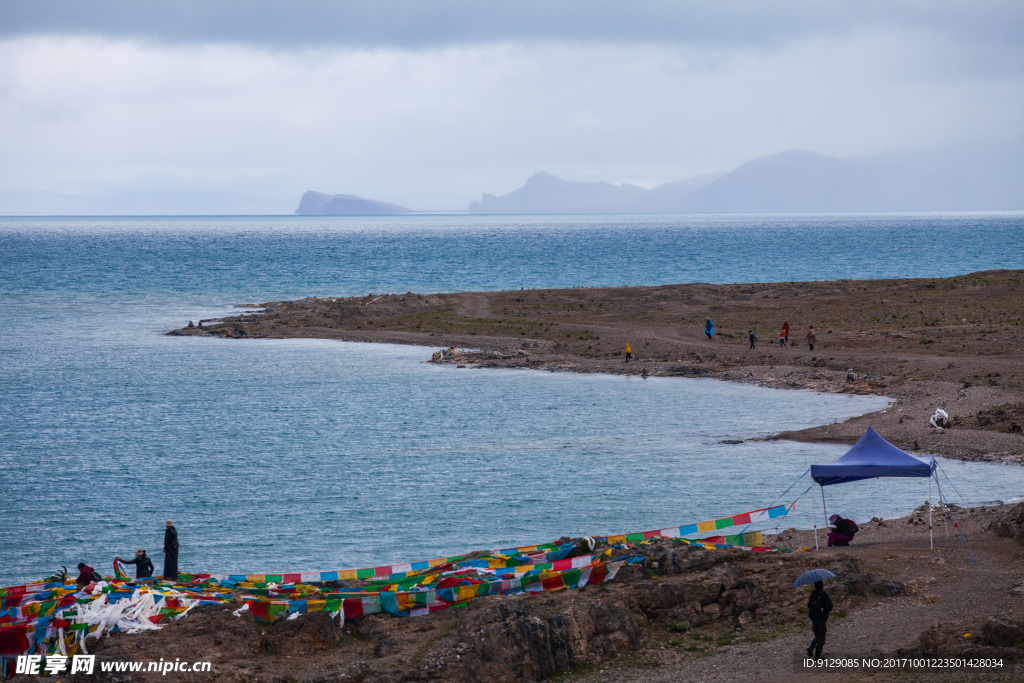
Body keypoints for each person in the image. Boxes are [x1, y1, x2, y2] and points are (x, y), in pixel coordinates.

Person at [806, 580, 834, 660]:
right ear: (822, 586)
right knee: (821, 637)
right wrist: (826, 612)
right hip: (821, 619)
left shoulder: (812, 595)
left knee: (817, 635)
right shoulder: (824, 594)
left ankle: (811, 647)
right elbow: (830, 605)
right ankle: (817, 655)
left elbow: (809, 606)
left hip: (813, 619)